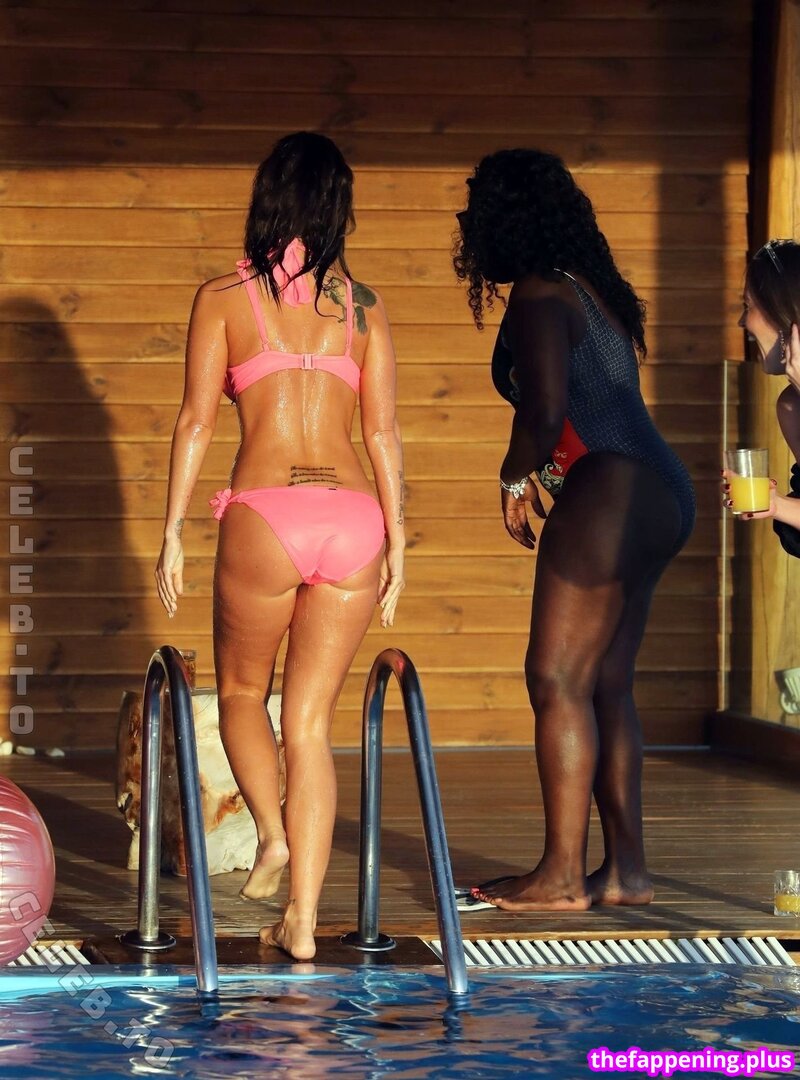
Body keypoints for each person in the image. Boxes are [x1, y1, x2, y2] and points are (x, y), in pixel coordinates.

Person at [154, 132, 405, 959]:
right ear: (338, 209)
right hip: (354, 519)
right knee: (310, 724)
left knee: (239, 693)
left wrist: (173, 532)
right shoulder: (363, 308)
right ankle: (301, 921)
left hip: (268, 513)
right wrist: (399, 544)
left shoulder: (224, 297)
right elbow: (383, 433)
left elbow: (196, 421)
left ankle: (271, 834)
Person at [453, 148, 695, 912]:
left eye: (477, 211)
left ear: (507, 218)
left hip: (612, 487)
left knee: (555, 678)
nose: (467, 225)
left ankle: (561, 874)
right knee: (606, 683)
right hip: (660, 488)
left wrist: (512, 478)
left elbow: (546, 410)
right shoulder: (590, 288)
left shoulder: (539, 291)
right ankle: (625, 871)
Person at [724, 239, 800, 544]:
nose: (742, 321)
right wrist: (774, 504)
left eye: (748, 306)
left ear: (783, 310)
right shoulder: (791, 405)